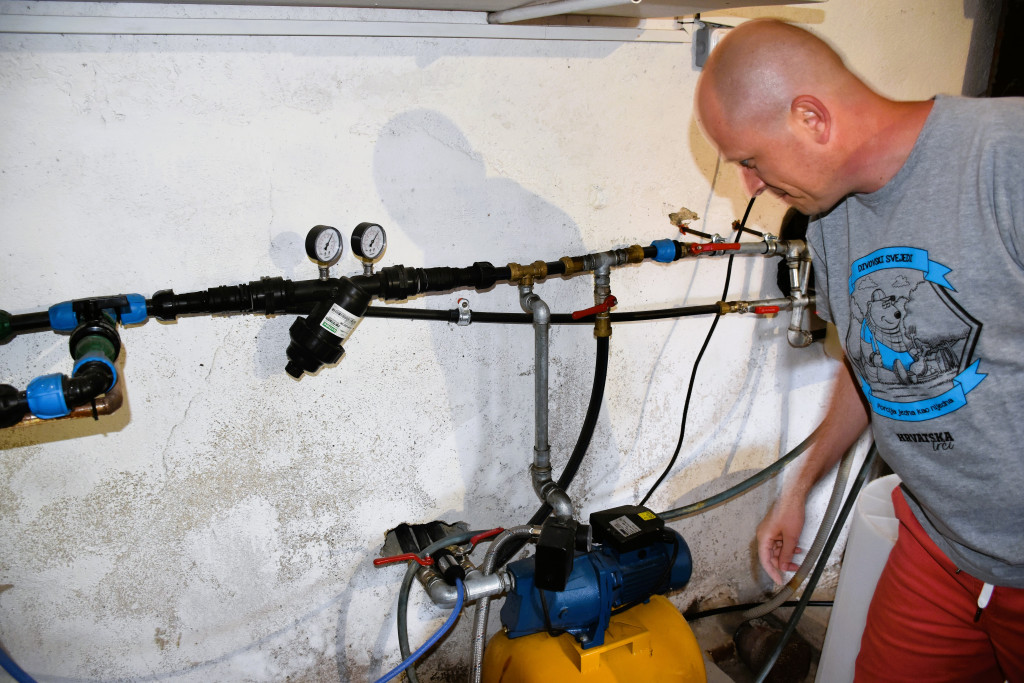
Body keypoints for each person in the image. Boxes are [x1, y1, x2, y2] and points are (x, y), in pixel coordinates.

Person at [694, 18, 1024, 682]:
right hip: (939, 546)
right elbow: (868, 364)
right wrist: (801, 485)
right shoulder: (829, 219)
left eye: (750, 160)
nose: (750, 184)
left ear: (811, 118)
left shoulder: (1004, 158)